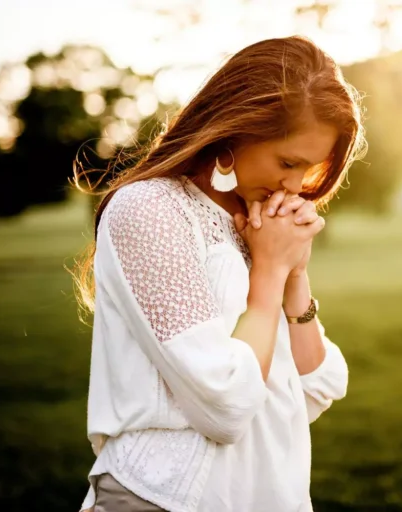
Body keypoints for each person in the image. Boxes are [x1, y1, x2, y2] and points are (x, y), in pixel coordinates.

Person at [72, 35, 366, 512]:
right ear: (235, 130)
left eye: (309, 169)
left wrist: (294, 272)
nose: (295, 186)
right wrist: (269, 272)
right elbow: (227, 403)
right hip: (161, 498)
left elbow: (317, 385)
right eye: (287, 162)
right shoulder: (151, 210)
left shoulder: (257, 222)